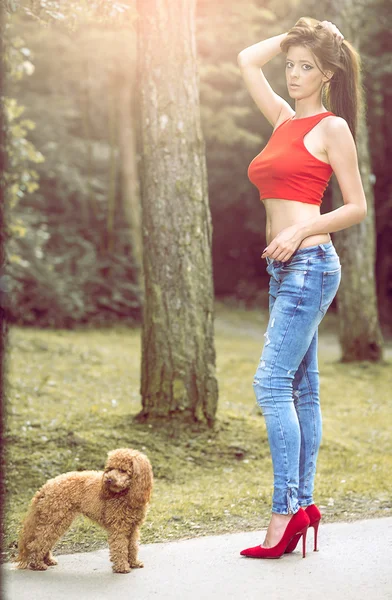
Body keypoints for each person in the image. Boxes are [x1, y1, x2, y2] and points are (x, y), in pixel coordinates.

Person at [237, 17, 367, 559]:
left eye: (305, 67)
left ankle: (284, 512)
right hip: (284, 269)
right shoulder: (283, 120)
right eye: (290, 65)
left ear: (328, 74)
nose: (292, 74)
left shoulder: (332, 128)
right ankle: (305, 505)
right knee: (301, 390)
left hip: (310, 264)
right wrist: (297, 34)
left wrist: (301, 228)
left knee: (271, 385)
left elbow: (357, 206)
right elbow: (246, 59)